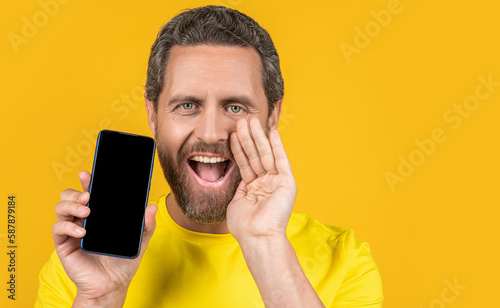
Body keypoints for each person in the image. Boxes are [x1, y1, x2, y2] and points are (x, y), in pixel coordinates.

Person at [36, 5, 383, 307]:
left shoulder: (345, 260)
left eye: (235, 106)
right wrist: (100, 299)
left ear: (273, 116)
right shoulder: (83, 262)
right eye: (187, 105)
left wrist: (265, 245)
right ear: (152, 114)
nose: (211, 132)